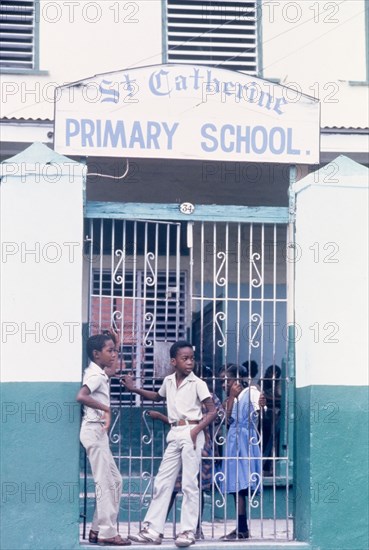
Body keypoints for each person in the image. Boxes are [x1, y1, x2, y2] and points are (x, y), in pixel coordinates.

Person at [121, 341, 217, 548]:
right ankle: (153, 530)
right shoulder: (169, 380)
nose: (190, 362)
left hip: (191, 432)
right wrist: (134, 389)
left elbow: (212, 411)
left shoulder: (198, 383)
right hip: (175, 432)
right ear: (174, 361)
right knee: (163, 481)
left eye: (192, 358)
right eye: (185, 358)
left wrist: (196, 430)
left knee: (190, 485)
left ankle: (187, 531)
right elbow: (157, 396)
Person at [146, 364, 225, 540]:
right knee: (172, 485)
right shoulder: (174, 385)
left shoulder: (208, 396)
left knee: (193, 486)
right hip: (183, 439)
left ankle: (193, 528)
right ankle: (156, 528)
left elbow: (217, 417)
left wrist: (196, 431)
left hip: (200, 446)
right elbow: (179, 420)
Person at [76, 333, 131, 547]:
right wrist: (106, 408)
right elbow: (81, 396)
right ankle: (108, 533)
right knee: (105, 482)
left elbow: (114, 365)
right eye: (110, 351)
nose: (114, 355)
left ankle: (97, 529)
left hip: (99, 433)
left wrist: (116, 343)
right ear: (96, 354)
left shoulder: (99, 371)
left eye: (115, 350)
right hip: (93, 431)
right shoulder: (95, 376)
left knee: (115, 481)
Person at [219, 364, 263, 541]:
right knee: (234, 484)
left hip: (245, 441)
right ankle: (241, 526)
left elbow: (259, 411)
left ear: (237, 380)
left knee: (240, 483)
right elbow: (226, 419)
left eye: (226, 381)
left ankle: (242, 527)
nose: (223, 385)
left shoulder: (250, 392)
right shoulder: (232, 397)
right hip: (233, 440)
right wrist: (231, 396)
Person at [259, 365, 282, 474]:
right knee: (263, 441)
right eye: (270, 372)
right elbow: (261, 397)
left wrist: (273, 400)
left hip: (274, 417)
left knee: (274, 442)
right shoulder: (261, 382)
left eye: (275, 375)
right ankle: (263, 466)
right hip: (263, 417)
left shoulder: (278, 384)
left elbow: (282, 399)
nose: (271, 376)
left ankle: (271, 467)